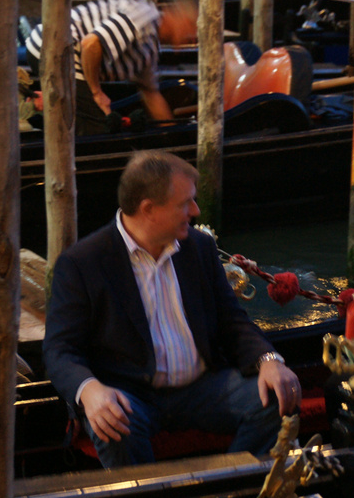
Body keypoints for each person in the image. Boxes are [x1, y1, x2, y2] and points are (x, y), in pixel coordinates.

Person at [43, 151, 302, 468]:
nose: (196, 211)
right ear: (149, 209)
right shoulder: (81, 263)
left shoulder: (199, 247)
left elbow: (232, 321)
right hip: (131, 394)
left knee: (278, 399)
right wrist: (90, 390)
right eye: (185, 203)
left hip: (203, 387)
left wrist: (268, 359)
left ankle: (227, 490)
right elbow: (60, 350)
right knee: (113, 423)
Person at [21, 0, 197, 134]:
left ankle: (42, 108)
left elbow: (151, 94)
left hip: (60, 56)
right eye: (189, 28)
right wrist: (97, 92)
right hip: (54, 47)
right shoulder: (144, 15)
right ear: (176, 15)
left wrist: (172, 135)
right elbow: (91, 44)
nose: (187, 40)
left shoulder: (149, 49)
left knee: (98, 120)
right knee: (97, 130)